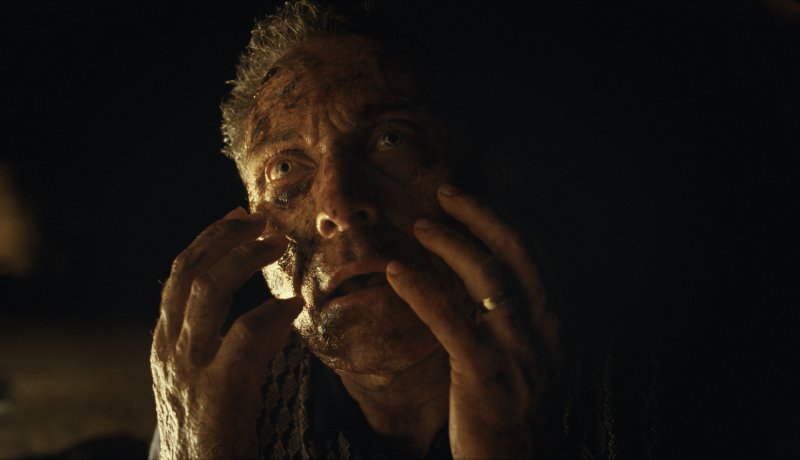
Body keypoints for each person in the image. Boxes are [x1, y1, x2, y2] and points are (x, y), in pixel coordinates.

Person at [150, 1, 657, 458]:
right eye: (284, 168)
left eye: (391, 138)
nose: (339, 206)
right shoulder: (220, 408)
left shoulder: (647, 387)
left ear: (488, 175)